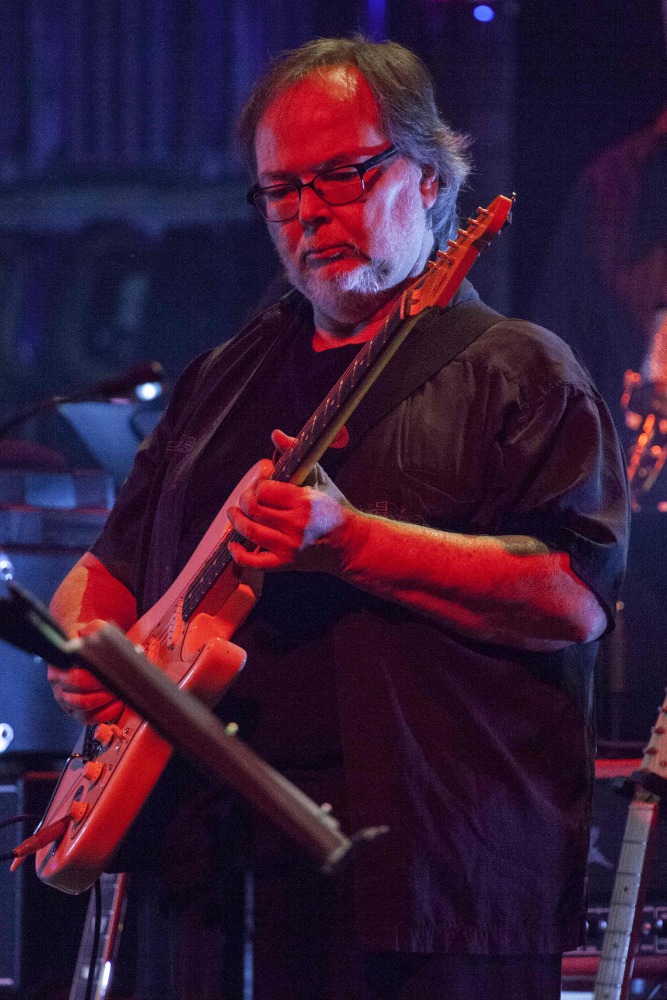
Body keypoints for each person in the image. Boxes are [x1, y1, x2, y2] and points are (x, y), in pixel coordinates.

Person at [46, 37, 629, 1000]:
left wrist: (353, 542)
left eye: (344, 176)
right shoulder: (222, 376)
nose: (310, 215)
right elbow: (111, 562)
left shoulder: (519, 370)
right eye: (282, 191)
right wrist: (88, 646)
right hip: (203, 881)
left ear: (434, 180)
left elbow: (571, 599)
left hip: (426, 887)